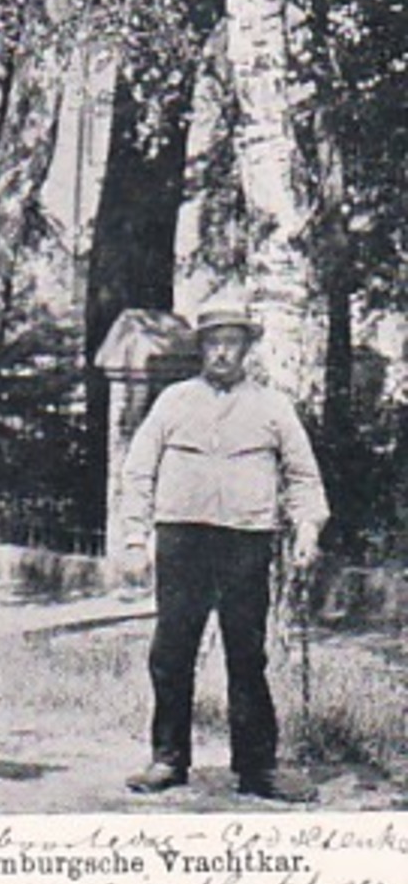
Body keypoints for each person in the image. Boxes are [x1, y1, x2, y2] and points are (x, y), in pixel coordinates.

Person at [118, 300, 328, 802]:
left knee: (246, 655)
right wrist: (133, 536)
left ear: (246, 349)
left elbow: (303, 475)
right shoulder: (173, 401)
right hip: (182, 539)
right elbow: (138, 468)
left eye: (232, 343)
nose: (222, 353)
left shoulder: (273, 406)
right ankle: (168, 759)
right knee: (171, 652)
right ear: (201, 349)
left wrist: (308, 530)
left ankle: (257, 769)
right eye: (213, 343)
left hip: (245, 542)